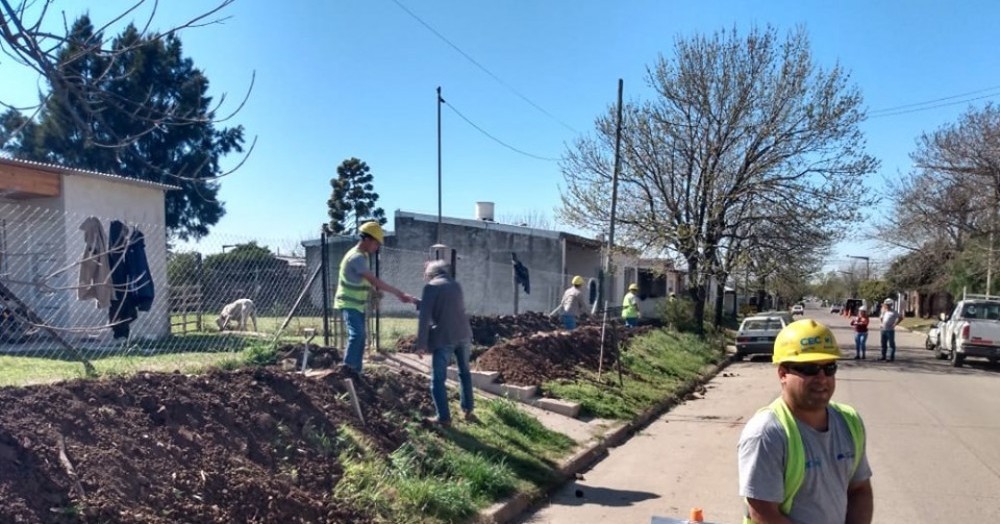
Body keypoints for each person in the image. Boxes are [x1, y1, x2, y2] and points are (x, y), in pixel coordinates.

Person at [738, 319, 873, 524]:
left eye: (829, 368)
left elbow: (859, 490)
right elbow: (764, 514)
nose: (821, 378)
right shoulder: (767, 434)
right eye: (809, 369)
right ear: (783, 374)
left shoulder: (850, 421)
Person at [335, 221, 416, 376]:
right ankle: (347, 371)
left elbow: (365, 280)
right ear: (366, 240)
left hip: (357, 304)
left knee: (361, 336)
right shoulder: (356, 257)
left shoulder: (363, 256)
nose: (377, 247)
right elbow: (374, 280)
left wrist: (372, 292)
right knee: (357, 334)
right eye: (376, 243)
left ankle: (356, 372)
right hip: (348, 302)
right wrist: (399, 294)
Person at [415, 260, 475, 427]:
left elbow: (425, 317)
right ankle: (468, 409)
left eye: (426, 275)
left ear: (431, 274)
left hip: (445, 338)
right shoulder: (455, 285)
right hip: (463, 335)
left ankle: (444, 418)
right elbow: (447, 306)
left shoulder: (430, 287)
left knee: (438, 379)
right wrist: (418, 302)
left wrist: (421, 344)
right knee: (464, 373)